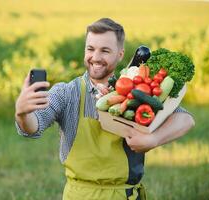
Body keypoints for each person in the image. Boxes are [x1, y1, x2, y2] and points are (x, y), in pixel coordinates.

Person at [14, 18, 195, 200]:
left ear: (120, 54)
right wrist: (22, 113)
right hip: (80, 195)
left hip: (126, 195)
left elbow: (186, 119)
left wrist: (154, 139)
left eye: (105, 51)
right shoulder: (67, 93)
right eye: (90, 49)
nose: (96, 57)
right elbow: (33, 127)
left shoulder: (138, 90)